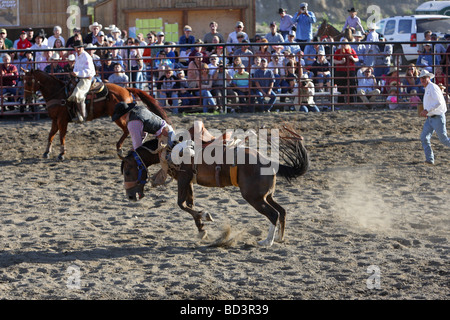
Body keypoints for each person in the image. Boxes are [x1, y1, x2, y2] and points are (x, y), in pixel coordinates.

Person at [111, 102, 175, 186]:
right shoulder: (139, 109)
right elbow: (144, 132)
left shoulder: (132, 123)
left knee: (164, 159)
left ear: (122, 115)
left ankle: (161, 179)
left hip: (165, 136)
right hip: (167, 130)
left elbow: (137, 145)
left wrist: (135, 149)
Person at [419, 69, 450, 165]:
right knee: (424, 137)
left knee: (444, 140)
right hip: (431, 117)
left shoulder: (432, 87)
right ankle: (429, 159)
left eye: (424, 78)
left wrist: (427, 110)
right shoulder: (429, 87)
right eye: (421, 78)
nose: (423, 80)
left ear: (428, 78)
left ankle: (430, 159)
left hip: (437, 117)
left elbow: (439, 102)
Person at [67, 40, 96, 123]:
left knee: (78, 94)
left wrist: (77, 73)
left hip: (87, 78)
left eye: (80, 47)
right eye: (77, 47)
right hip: (79, 77)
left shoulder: (86, 56)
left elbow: (89, 71)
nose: (78, 49)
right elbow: (76, 66)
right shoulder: (77, 55)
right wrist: (74, 72)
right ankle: (77, 113)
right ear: (75, 48)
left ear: (83, 48)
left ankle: (84, 115)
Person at [334, 39, 359, 103]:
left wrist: (352, 58)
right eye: (343, 44)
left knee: (351, 87)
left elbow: (357, 59)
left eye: (345, 44)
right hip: (340, 71)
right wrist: (340, 62)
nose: (344, 45)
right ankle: (341, 102)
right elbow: (333, 60)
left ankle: (351, 101)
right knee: (341, 87)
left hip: (350, 70)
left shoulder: (351, 50)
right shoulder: (338, 51)